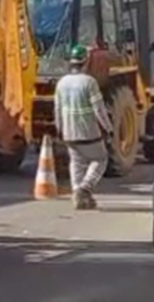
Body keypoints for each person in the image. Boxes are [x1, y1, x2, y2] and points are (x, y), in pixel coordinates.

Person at [54, 45, 114, 210]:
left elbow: (57, 109)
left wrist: (59, 129)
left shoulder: (61, 83)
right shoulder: (89, 82)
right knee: (100, 159)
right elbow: (99, 109)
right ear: (86, 62)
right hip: (89, 132)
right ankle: (84, 188)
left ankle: (77, 195)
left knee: (77, 162)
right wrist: (108, 128)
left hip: (69, 133)